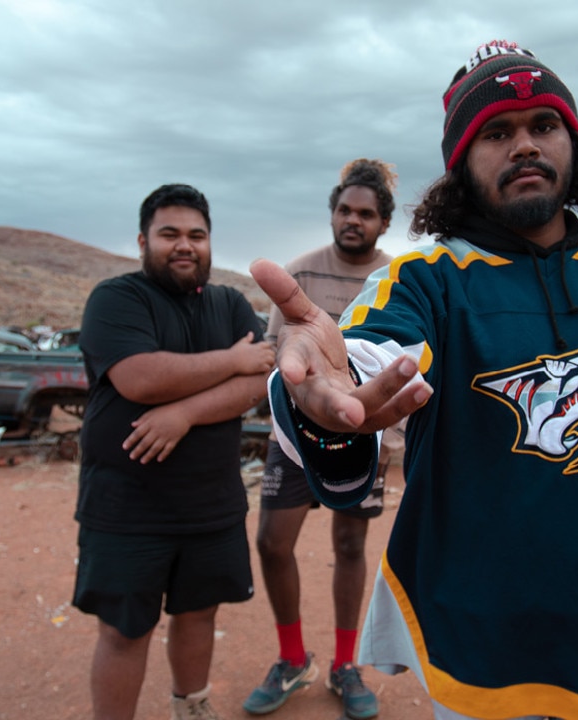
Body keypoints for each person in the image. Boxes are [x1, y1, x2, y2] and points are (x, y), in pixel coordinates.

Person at [250, 40, 578, 720]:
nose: (524, 145)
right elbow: (370, 355)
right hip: (483, 627)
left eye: (543, 126)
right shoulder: (428, 280)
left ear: (574, 145)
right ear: (461, 165)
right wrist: (328, 395)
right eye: (497, 132)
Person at [72, 184, 275, 720]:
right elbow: (139, 376)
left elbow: (259, 383)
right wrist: (231, 361)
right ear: (143, 241)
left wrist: (183, 413)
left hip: (210, 503)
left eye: (196, 235)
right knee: (123, 630)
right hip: (125, 506)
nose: (184, 245)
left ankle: (192, 707)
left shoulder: (231, 303)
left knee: (199, 613)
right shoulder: (117, 299)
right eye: (170, 234)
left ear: (210, 243)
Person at [243, 159, 399, 719]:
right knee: (271, 541)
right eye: (344, 210)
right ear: (331, 213)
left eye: (365, 213)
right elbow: (270, 353)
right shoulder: (300, 274)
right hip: (292, 436)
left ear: (383, 222)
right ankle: (291, 658)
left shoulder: (397, 277)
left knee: (351, 547)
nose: (352, 221)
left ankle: (344, 664)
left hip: (365, 438)